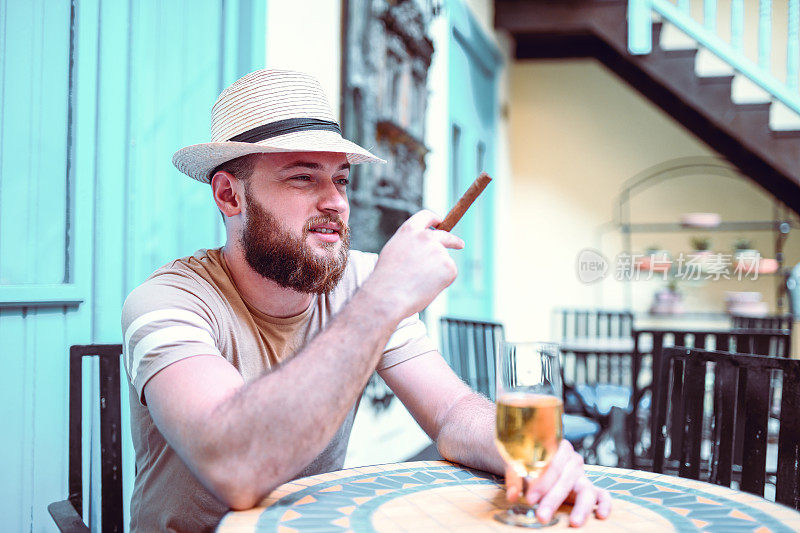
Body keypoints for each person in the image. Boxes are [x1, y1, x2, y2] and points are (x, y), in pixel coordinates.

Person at [121, 69, 611, 532]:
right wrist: (384, 297)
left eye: (340, 179)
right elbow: (237, 465)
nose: (335, 201)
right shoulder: (166, 302)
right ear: (229, 196)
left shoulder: (362, 280)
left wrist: (517, 448)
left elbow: (451, 411)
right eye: (302, 177)